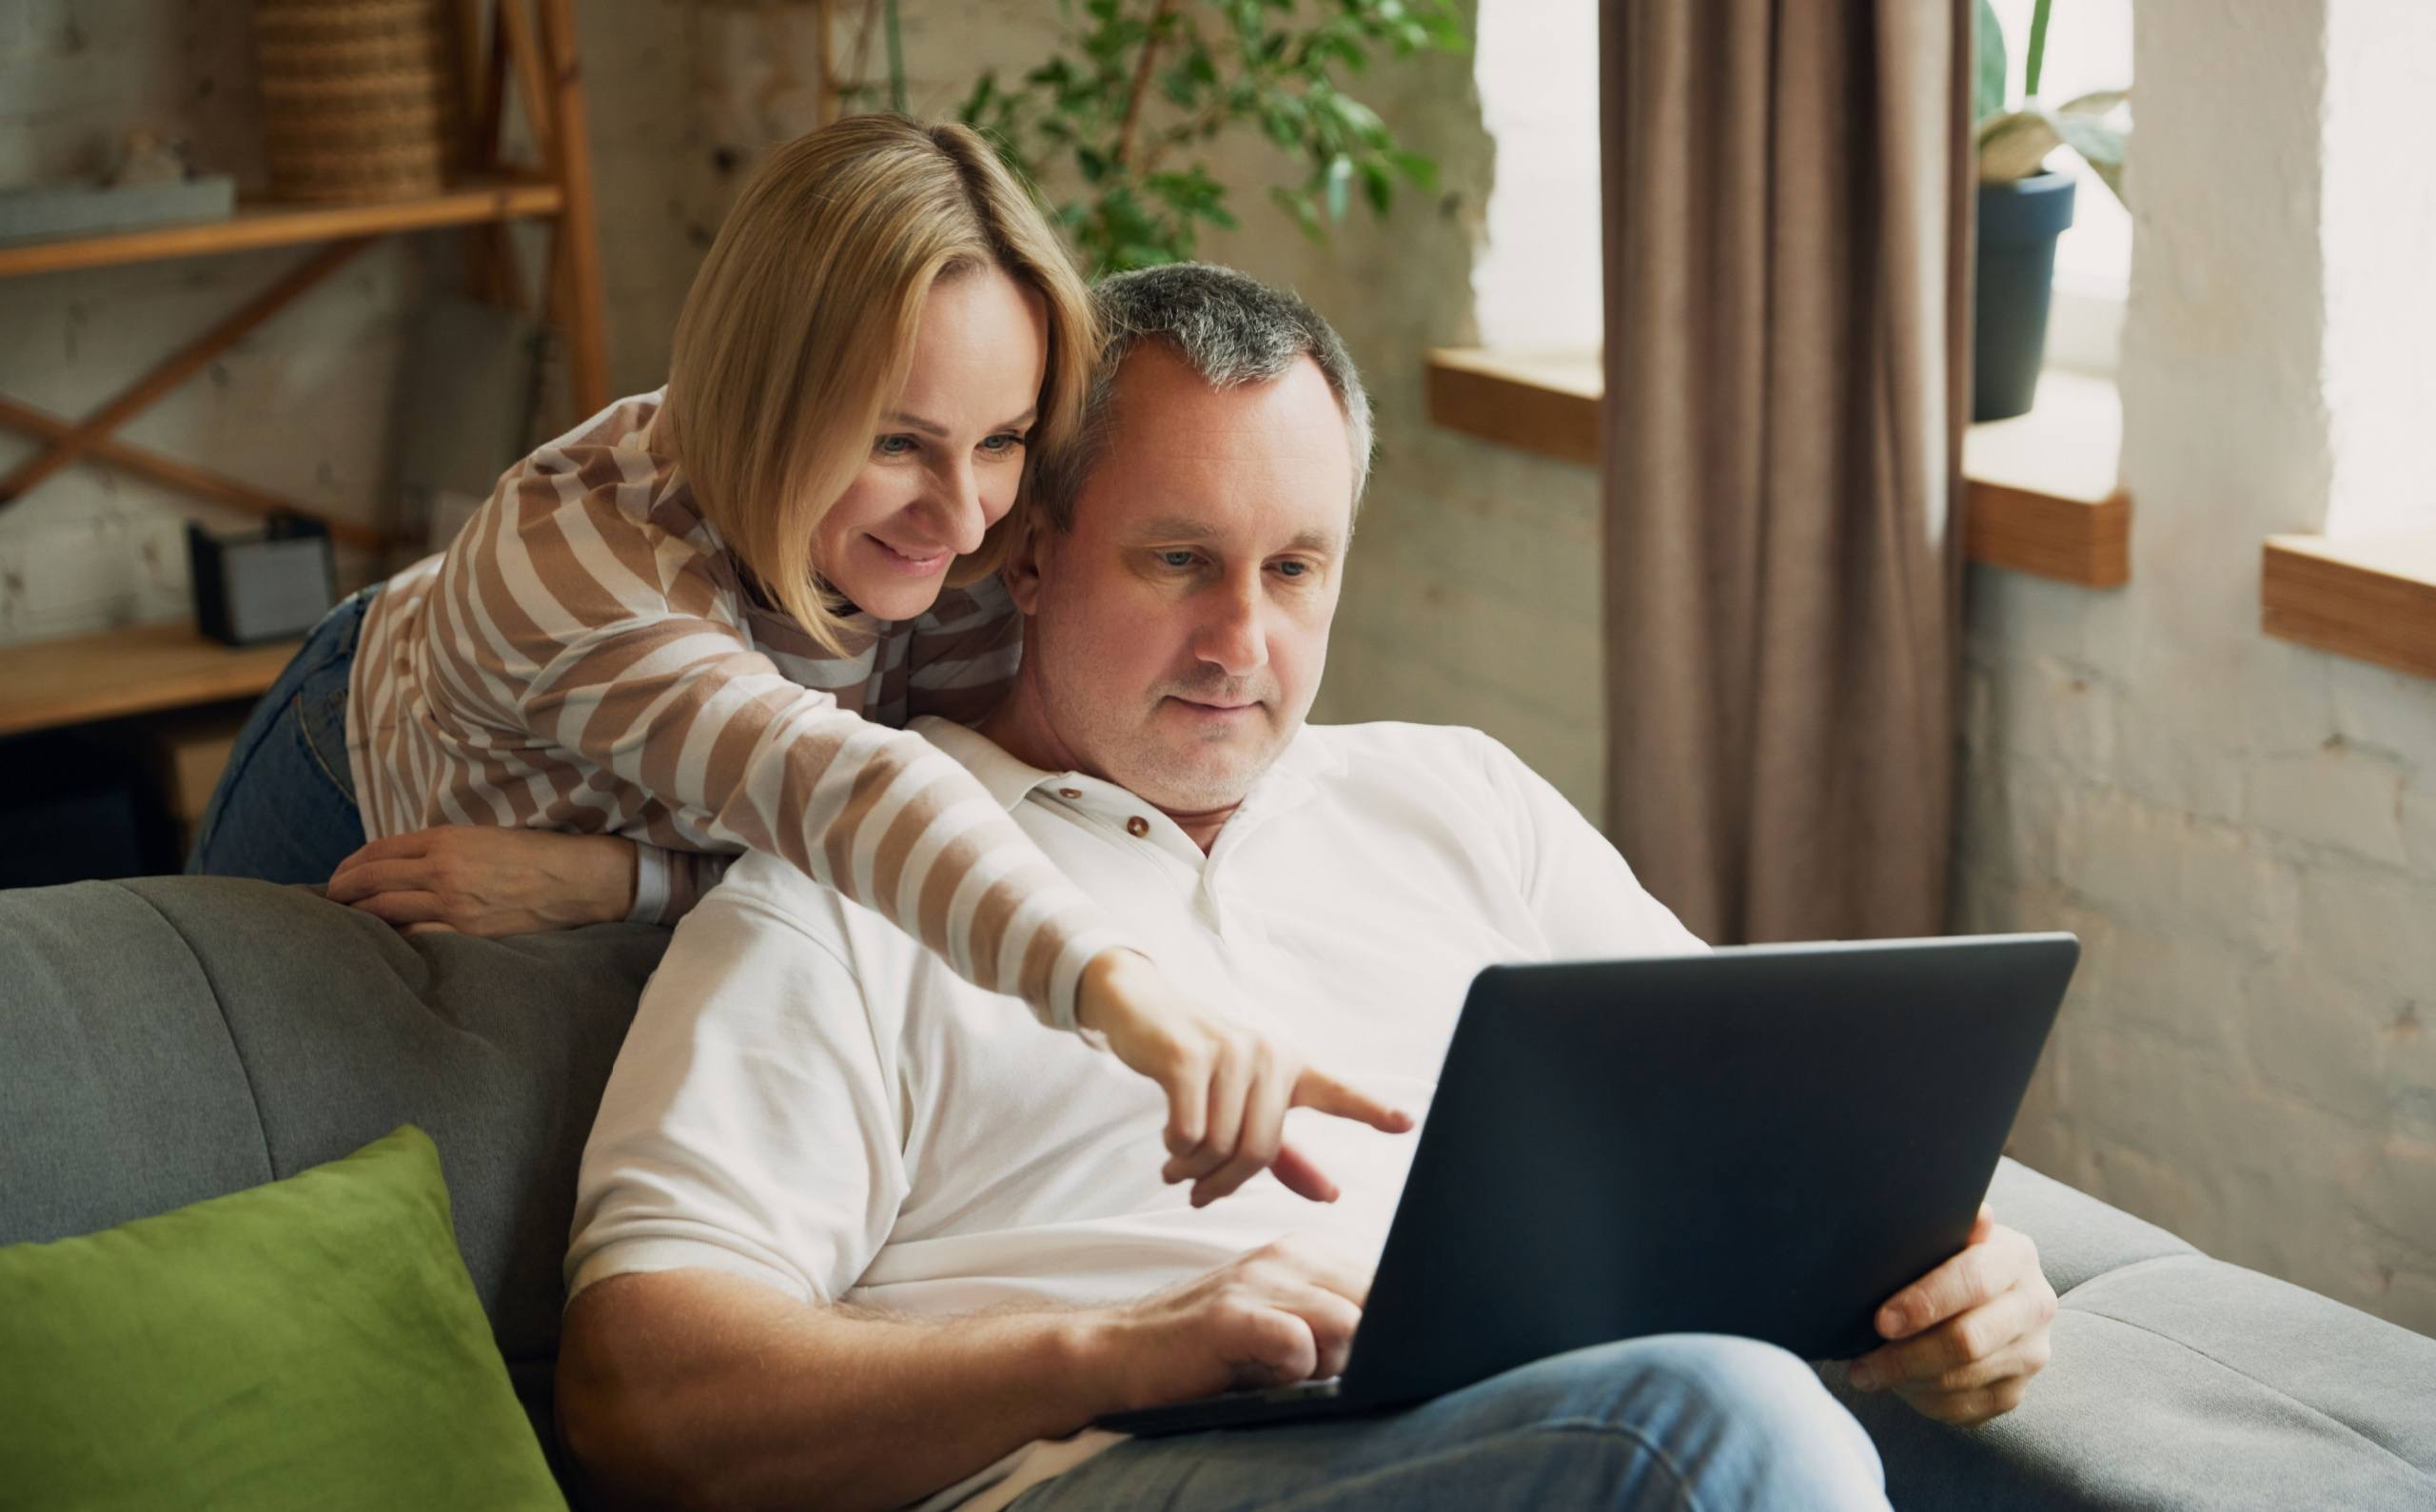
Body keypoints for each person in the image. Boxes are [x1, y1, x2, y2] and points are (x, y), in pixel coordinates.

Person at [554, 264, 2056, 1512]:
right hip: (1108, 1465)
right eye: (1178, 560)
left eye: (1293, 570)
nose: (1240, 642)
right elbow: (637, 1390)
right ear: (1026, 554)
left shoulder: (1458, 796)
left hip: (1509, 1437)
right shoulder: (859, 878)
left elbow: (1773, 1132)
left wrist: (1957, 1271)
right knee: (1723, 1423)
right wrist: (1113, 1348)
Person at [183, 116, 1405, 1209]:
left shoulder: (979, 540)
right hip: (395, 778)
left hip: (650, 844)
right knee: (214, 1144)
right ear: (765, 392)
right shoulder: (576, 564)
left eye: (1003, 439)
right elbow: (840, 793)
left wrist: (619, 883)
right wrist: (1123, 993)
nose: (965, 517)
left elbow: (930, 809)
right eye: (896, 440)